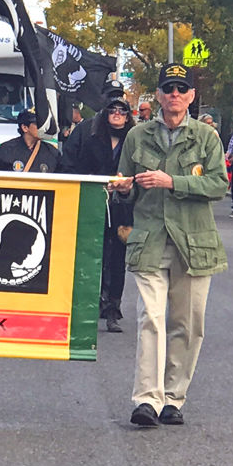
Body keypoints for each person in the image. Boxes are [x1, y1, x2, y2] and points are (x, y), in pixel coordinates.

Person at [109, 63, 228, 427]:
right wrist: (124, 189)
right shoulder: (138, 136)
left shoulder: (206, 138)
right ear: (158, 95)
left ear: (192, 96)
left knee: (187, 324)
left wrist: (173, 182)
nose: (174, 95)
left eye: (181, 88)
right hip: (150, 238)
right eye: (168, 88)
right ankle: (147, 398)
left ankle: (174, 397)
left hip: (193, 243)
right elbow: (125, 185)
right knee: (151, 319)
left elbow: (218, 186)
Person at [61, 80, 136, 332]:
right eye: (112, 108)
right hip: (92, 202)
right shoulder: (85, 131)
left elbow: (144, 169)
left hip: (123, 206)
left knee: (117, 258)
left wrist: (130, 186)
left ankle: (113, 307)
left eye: (122, 109)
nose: (117, 114)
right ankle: (88, 305)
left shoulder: (136, 137)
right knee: (90, 255)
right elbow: (68, 164)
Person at [0, 109, 61, 173]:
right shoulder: (6, 150)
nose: (42, 127)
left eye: (43, 124)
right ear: (25, 127)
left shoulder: (52, 152)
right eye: (37, 124)